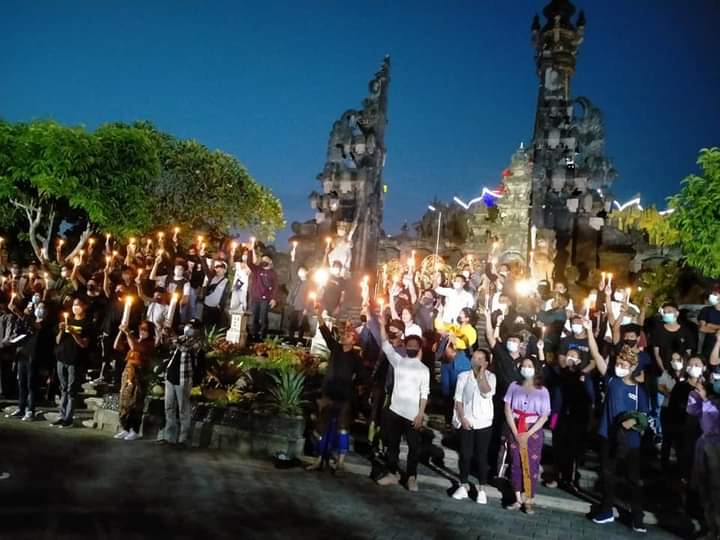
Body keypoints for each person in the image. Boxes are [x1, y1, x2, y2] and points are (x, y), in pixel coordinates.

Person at [591, 344, 651, 533]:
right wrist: (589, 331)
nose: (619, 367)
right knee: (607, 475)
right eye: (618, 363)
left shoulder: (639, 390)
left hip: (630, 442)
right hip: (607, 436)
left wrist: (632, 421)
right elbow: (597, 355)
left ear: (632, 367)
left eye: (623, 364)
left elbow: (645, 416)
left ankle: (637, 517)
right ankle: (606, 510)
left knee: (633, 479)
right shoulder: (611, 381)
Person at [306, 311, 363, 474]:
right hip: (329, 395)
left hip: (344, 398)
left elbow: (363, 377)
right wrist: (318, 314)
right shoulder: (336, 348)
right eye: (344, 335)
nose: (344, 337)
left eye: (348, 336)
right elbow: (326, 333)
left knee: (343, 428)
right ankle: (318, 460)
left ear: (354, 341)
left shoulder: (356, 359)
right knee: (322, 428)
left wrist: (357, 387)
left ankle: (340, 462)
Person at [376, 324, 429, 492]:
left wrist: (421, 414)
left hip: (412, 415)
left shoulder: (424, 369)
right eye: (410, 344)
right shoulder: (398, 361)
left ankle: (412, 476)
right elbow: (385, 344)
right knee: (392, 445)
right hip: (394, 411)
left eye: (415, 345)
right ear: (405, 346)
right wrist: (381, 322)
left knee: (414, 448)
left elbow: (424, 394)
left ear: (419, 348)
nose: (412, 347)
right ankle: (392, 473)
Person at [503, 355, 551, 514]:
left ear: (536, 369)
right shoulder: (513, 386)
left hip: (533, 430)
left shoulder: (543, 391)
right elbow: (507, 409)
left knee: (531, 465)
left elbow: (544, 415)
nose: (526, 368)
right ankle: (517, 498)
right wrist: (516, 432)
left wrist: (529, 432)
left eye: (530, 365)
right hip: (515, 426)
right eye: (524, 365)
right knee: (516, 462)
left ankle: (528, 498)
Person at [452, 348, 496, 504]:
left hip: (484, 422)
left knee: (482, 456)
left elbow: (486, 392)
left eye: (480, 358)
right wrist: (462, 417)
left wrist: (481, 374)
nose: (476, 360)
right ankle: (463, 485)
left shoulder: (491, 377)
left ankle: (482, 489)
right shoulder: (463, 376)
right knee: (465, 454)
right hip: (467, 421)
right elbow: (458, 399)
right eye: (474, 357)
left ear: (486, 362)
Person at [686, 366, 720, 540]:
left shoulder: (716, 400)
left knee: (716, 490)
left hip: (717, 446)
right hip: (703, 444)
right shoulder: (702, 397)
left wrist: (706, 397)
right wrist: (696, 394)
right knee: (703, 488)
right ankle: (710, 528)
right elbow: (692, 411)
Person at [158, 318, 203, 447]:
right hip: (171, 376)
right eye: (188, 325)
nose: (189, 328)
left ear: (198, 330)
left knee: (184, 410)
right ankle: (169, 437)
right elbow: (169, 345)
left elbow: (184, 348)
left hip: (184, 378)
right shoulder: (182, 337)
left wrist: (172, 335)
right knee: (169, 407)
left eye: (192, 327)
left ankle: (183, 439)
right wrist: (164, 335)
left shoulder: (197, 342)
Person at [53, 297, 93, 428]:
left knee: (71, 390)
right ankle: (61, 415)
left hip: (74, 360)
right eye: (74, 305)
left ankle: (68, 418)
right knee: (63, 388)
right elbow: (58, 341)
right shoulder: (68, 320)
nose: (75, 307)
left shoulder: (87, 324)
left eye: (78, 304)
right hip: (61, 358)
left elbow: (84, 344)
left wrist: (74, 333)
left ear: (84, 306)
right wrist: (61, 330)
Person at [114, 320, 156, 441]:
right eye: (141, 328)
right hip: (128, 374)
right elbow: (116, 346)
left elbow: (135, 347)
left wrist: (128, 333)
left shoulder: (150, 343)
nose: (142, 331)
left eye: (145, 329)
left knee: (135, 403)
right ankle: (125, 428)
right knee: (124, 402)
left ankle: (134, 430)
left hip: (139, 376)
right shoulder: (135, 339)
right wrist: (121, 332)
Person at [13, 301, 53, 421]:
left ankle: (30, 409)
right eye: (38, 307)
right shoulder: (29, 322)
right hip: (23, 355)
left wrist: (21, 314)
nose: (39, 310)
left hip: (34, 358)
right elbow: (20, 331)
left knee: (31, 385)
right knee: (22, 383)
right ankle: (21, 407)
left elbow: (39, 329)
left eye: (42, 308)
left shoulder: (46, 325)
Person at [652, 302, 695, 373]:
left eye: (669, 312)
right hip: (664, 370)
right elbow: (656, 353)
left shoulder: (686, 331)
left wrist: (683, 371)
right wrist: (663, 370)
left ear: (677, 313)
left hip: (682, 370)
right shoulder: (658, 331)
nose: (666, 314)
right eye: (664, 312)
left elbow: (688, 353)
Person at [247, 251, 278, 341]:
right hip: (255, 298)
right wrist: (250, 250)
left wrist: (274, 299)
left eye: (266, 260)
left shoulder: (273, 273)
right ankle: (254, 335)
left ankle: (263, 336)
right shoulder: (257, 269)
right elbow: (249, 263)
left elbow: (275, 286)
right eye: (263, 259)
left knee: (263, 317)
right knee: (254, 317)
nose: (263, 261)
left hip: (265, 299)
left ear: (270, 261)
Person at [288, 266, 312, 342]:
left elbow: (309, 296)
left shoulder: (308, 283)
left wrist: (306, 308)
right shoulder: (297, 282)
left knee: (301, 325)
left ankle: (299, 340)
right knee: (291, 323)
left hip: (302, 307)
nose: (300, 272)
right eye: (299, 270)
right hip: (294, 305)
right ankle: (291, 340)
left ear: (306, 272)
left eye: (302, 270)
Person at [698, 286, 720, 358]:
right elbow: (702, 328)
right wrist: (718, 331)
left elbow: (706, 326)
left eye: (714, 294)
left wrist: (710, 325)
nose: (711, 296)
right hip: (709, 347)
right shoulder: (706, 310)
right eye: (711, 294)